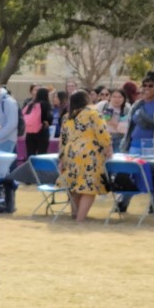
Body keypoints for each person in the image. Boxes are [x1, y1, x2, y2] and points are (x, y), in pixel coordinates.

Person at [58, 90, 112, 222]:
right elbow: (102, 132)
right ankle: (80, 219)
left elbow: (62, 138)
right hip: (89, 153)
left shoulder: (67, 117)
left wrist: (61, 157)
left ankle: (75, 214)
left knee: (75, 185)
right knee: (89, 188)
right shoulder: (94, 113)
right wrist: (108, 147)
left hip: (70, 154)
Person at [23, 85, 53, 158]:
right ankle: (39, 169)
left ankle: (30, 168)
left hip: (29, 132)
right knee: (41, 155)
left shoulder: (30, 104)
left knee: (30, 154)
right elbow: (48, 119)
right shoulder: (45, 104)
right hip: (42, 132)